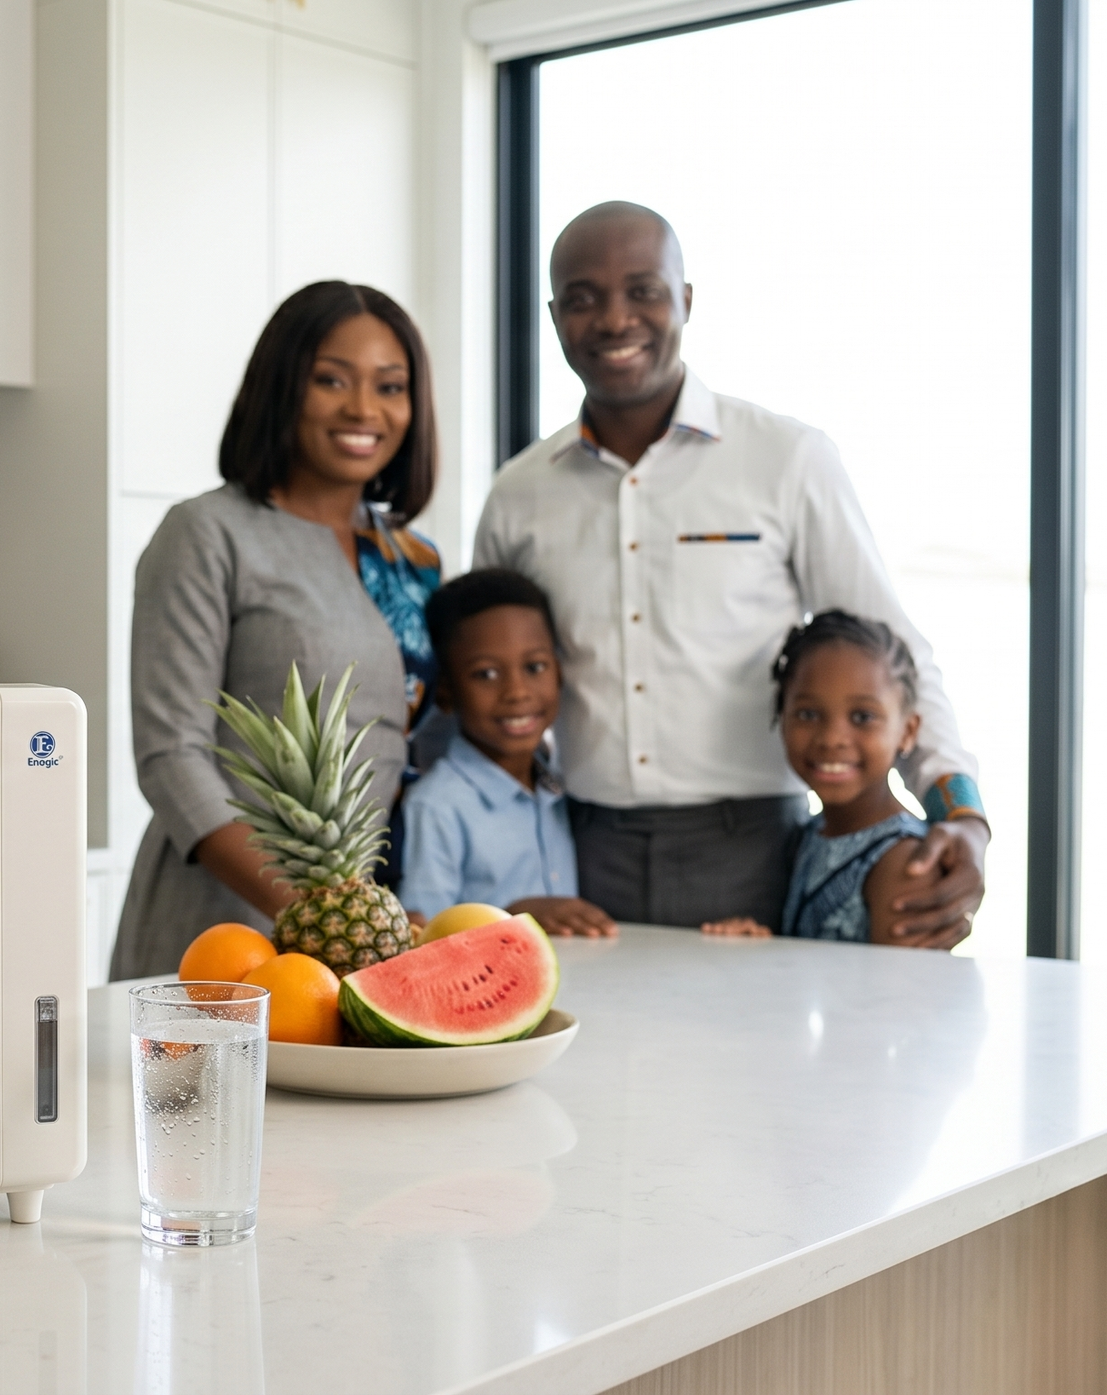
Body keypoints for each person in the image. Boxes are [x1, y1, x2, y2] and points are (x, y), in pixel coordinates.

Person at [472, 202, 988, 935]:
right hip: (571, 851)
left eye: (644, 289)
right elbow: (476, 684)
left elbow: (892, 653)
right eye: (583, 299)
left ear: (685, 299)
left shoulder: (787, 458)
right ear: (555, 317)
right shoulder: (518, 494)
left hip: (754, 849)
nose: (615, 319)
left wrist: (961, 813)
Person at [110, 281, 443, 980]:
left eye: (390, 386)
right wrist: (310, 910)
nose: (363, 408)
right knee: (194, 1094)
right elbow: (171, 755)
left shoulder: (413, 559)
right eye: (331, 380)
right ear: (281, 385)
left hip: (367, 935)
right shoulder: (208, 534)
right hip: (222, 919)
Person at [704, 611, 961, 948]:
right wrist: (756, 951)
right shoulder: (811, 836)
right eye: (808, 714)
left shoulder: (904, 862)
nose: (831, 738)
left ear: (908, 731)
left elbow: (900, 999)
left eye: (862, 717)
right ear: (781, 718)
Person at [398, 569, 615, 937]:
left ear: (560, 673)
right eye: (486, 674)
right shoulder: (436, 805)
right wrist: (510, 915)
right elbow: (421, 934)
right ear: (446, 692)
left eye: (535, 667)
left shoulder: (562, 780)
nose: (516, 692)